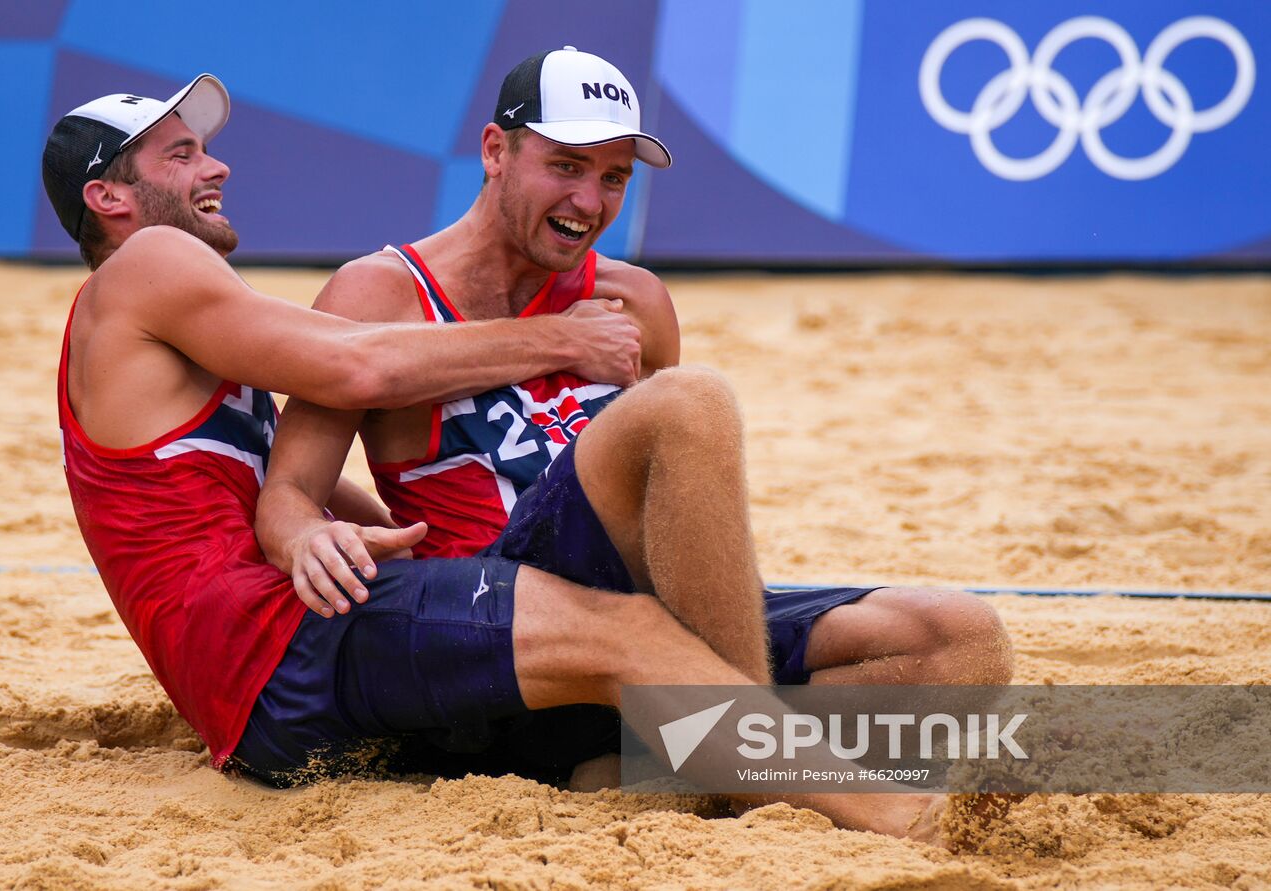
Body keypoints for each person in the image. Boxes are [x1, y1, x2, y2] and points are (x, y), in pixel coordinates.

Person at [253, 50, 1014, 842]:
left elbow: (679, 504)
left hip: (645, 643)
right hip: (503, 640)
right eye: (567, 166)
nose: (589, 201)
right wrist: (310, 534)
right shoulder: (380, 293)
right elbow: (286, 495)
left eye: (614, 177)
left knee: (958, 641)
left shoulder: (635, 297)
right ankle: (749, 765)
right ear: (493, 151)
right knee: (690, 401)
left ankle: (656, 762)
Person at [42, 72, 645, 784]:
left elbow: (265, 482)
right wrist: (562, 341)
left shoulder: (160, 345)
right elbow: (354, 365)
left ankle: (675, 767)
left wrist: (354, 532)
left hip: (267, 677)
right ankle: (790, 776)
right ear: (107, 197)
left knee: (615, 699)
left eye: (205, 148)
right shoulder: (147, 262)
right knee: (631, 634)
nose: (216, 165)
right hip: (276, 656)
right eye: (180, 155)